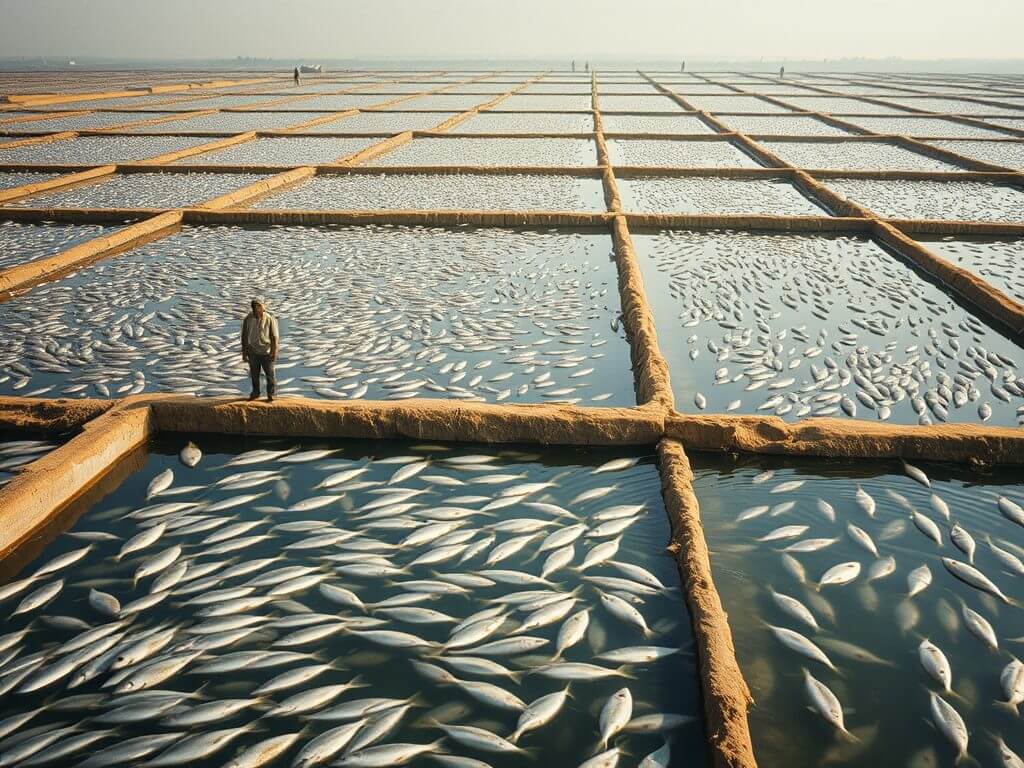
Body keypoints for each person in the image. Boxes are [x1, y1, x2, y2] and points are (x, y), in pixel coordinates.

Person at [241, 298, 279, 402]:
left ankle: (272, 394)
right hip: (253, 352)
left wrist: (274, 351)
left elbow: (274, 336)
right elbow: (244, 336)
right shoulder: (248, 319)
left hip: (266, 352)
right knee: (254, 375)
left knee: (270, 375)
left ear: (263, 308)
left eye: (259, 308)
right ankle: (255, 393)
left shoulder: (270, 319)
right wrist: (244, 353)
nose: (257, 311)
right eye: (255, 308)